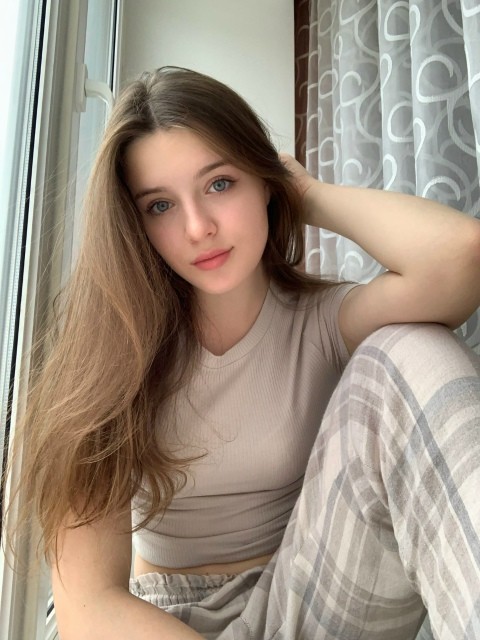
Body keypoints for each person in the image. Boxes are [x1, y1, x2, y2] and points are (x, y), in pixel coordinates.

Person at [4, 66, 480, 640]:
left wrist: (309, 195)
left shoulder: (320, 323)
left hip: (302, 595)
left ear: (265, 180)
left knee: (412, 344)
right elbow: (90, 608)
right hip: (160, 619)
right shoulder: (109, 356)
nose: (198, 227)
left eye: (220, 184)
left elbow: (461, 257)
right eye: (160, 206)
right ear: (135, 225)